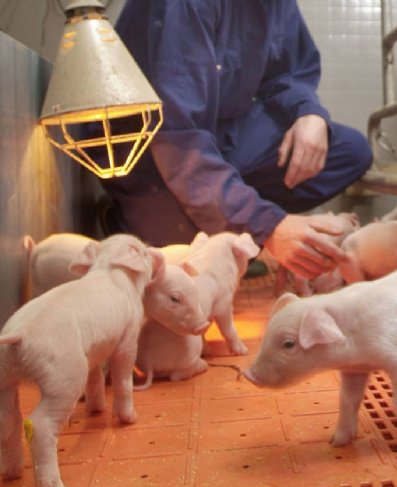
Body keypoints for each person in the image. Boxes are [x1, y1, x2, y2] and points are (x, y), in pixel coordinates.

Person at [100, 0, 373, 279]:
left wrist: (309, 114)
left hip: (224, 128)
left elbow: (287, 72)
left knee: (349, 150)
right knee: (179, 253)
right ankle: (134, 215)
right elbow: (179, 137)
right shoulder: (185, 6)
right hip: (152, 149)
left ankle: (229, 211)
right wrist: (267, 224)